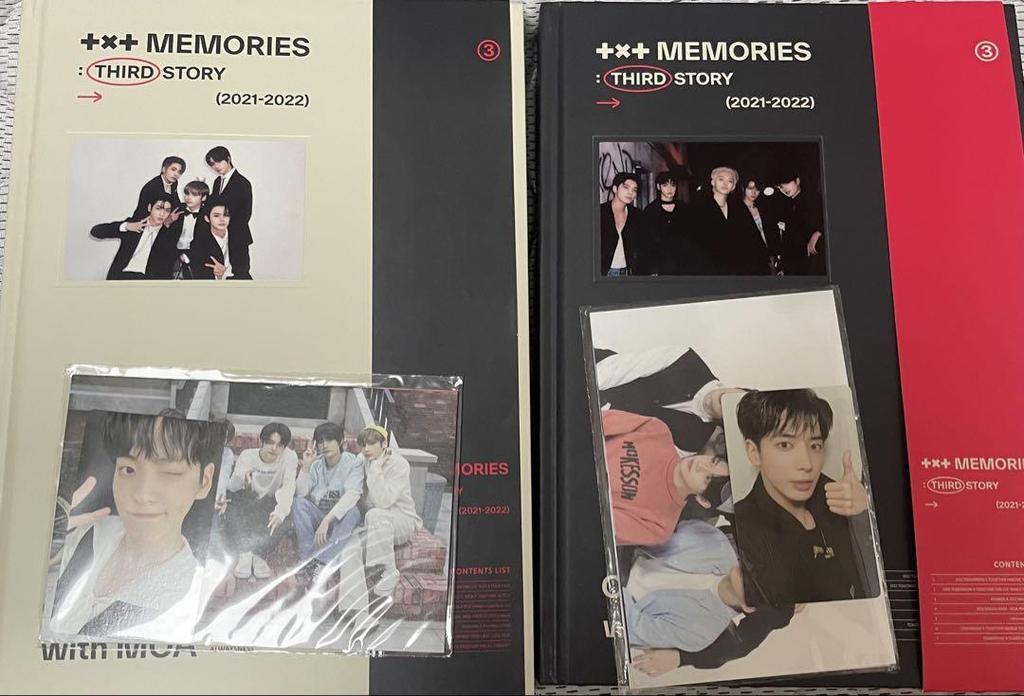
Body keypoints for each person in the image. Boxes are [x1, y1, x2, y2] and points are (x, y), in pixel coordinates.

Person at [48, 412, 222, 640]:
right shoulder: (86, 531)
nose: (141, 494)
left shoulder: (192, 592)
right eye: (128, 470)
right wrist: (45, 538)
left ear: (204, 481)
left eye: (169, 473)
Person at [733, 389, 870, 606]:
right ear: (754, 452)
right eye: (785, 445)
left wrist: (864, 516)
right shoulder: (742, 526)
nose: (807, 463)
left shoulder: (840, 499)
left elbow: (874, 596)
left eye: (815, 446)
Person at [603, 409, 721, 547]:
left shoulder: (661, 526)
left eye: (707, 477)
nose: (701, 466)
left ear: (703, 500)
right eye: (713, 461)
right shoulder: (657, 430)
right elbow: (595, 422)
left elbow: (599, 521)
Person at [222, 422, 299, 580]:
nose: (274, 448)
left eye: (279, 445)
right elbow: (232, 487)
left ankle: (260, 556)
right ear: (261, 442)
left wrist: (280, 513)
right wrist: (242, 480)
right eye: (270, 443)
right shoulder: (247, 455)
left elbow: (288, 487)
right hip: (248, 499)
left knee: (286, 515)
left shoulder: (289, 457)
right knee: (233, 504)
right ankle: (244, 554)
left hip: (271, 502)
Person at [293, 422, 364, 580]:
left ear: (341, 441)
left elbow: (353, 494)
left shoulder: (353, 463)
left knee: (353, 511)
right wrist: (306, 467)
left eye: (330, 440)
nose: (324, 445)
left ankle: (322, 562)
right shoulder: (316, 463)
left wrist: (327, 520)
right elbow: (301, 493)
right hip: (318, 514)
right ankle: (308, 560)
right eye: (321, 441)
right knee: (298, 503)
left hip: (339, 519)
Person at [358, 426, 423, 597]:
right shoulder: (363, 459)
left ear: (384, 443)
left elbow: (383, 501)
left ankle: (389, 570)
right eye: (363, 445)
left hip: (402, 519)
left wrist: (376, 467)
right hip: (375, 520)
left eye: (371, 444)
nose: (366, 449)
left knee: (375, 515)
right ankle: (374, 576)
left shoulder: (400, 464)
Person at [90, 193, 179, 280]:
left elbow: (168, 267)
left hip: (146, 281)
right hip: (121, 276)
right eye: (158, 208)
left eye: (167, 210)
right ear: (150, 207)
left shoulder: (168, 235)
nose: (162, 214)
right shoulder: (134, 224)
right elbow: (95, 231)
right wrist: (126, 226)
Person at [206, 146, 253, 279]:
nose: (216, 166)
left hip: (237, 235)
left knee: (240, 273)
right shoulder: (217, 182)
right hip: (219, 236)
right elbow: (215, 206)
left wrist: (225, 229)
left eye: (218, 162)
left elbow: (245, 214)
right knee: (219, 274)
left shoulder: (242, 182)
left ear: (228, 159)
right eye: (212, 164)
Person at [776, 169, 825, 276]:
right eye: (780, 186)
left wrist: (818, 232)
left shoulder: (813, 199)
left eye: (786, 183)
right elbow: (788, 240)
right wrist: (784, 267)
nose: (784, 188)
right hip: (796, 263)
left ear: (797, 181)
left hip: (813, 261)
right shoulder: (787, 206)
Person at [643, 171, 690, 275]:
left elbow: (690, 237)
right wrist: (652, 268)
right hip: (660, 265)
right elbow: (647, 242)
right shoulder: (651, 210)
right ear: (658, 187)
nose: (670, 189)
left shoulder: (684, 208)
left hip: (683, 263)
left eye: (673, 185)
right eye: (665, 185)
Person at [600, 172, 644, 276]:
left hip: (628, 272)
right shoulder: (600, 211)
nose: (630, 192)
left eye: (634, 190)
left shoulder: (637, 215)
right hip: (604, 272)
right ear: (615, 189)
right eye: (626, 187)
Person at [167, 180, 210, 279]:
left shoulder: (207, 214)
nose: (188, 198)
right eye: (187, 194)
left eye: (194, 195)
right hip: (173, 253)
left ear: (203, 198)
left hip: (196, 255)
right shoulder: (177, 210)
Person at [736, 178, 778, 275]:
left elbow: (771, 232)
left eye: (757, 189)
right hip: (749, 257)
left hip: (767, 255)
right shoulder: (738, 210)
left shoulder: (764, 207)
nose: (754, 192)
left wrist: (773, 254)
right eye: (750, 188)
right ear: (743, 188)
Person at [187, 199, 233, 280]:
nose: (222, 219)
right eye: (216, 215)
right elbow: (200, 276)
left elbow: (243, 269)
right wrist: (219, 276)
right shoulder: (198, 244)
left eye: (226, 215)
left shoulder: (240, 239)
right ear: (207, 219)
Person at [130, 156, 185, 221]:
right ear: (163, 169)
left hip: (162, 217)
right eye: (173, 169)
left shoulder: (174, 183)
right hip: (143, 220)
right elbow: (145, 213)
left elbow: (175, 202)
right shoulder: (151, 187)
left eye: (179, 172)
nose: (176, 174)